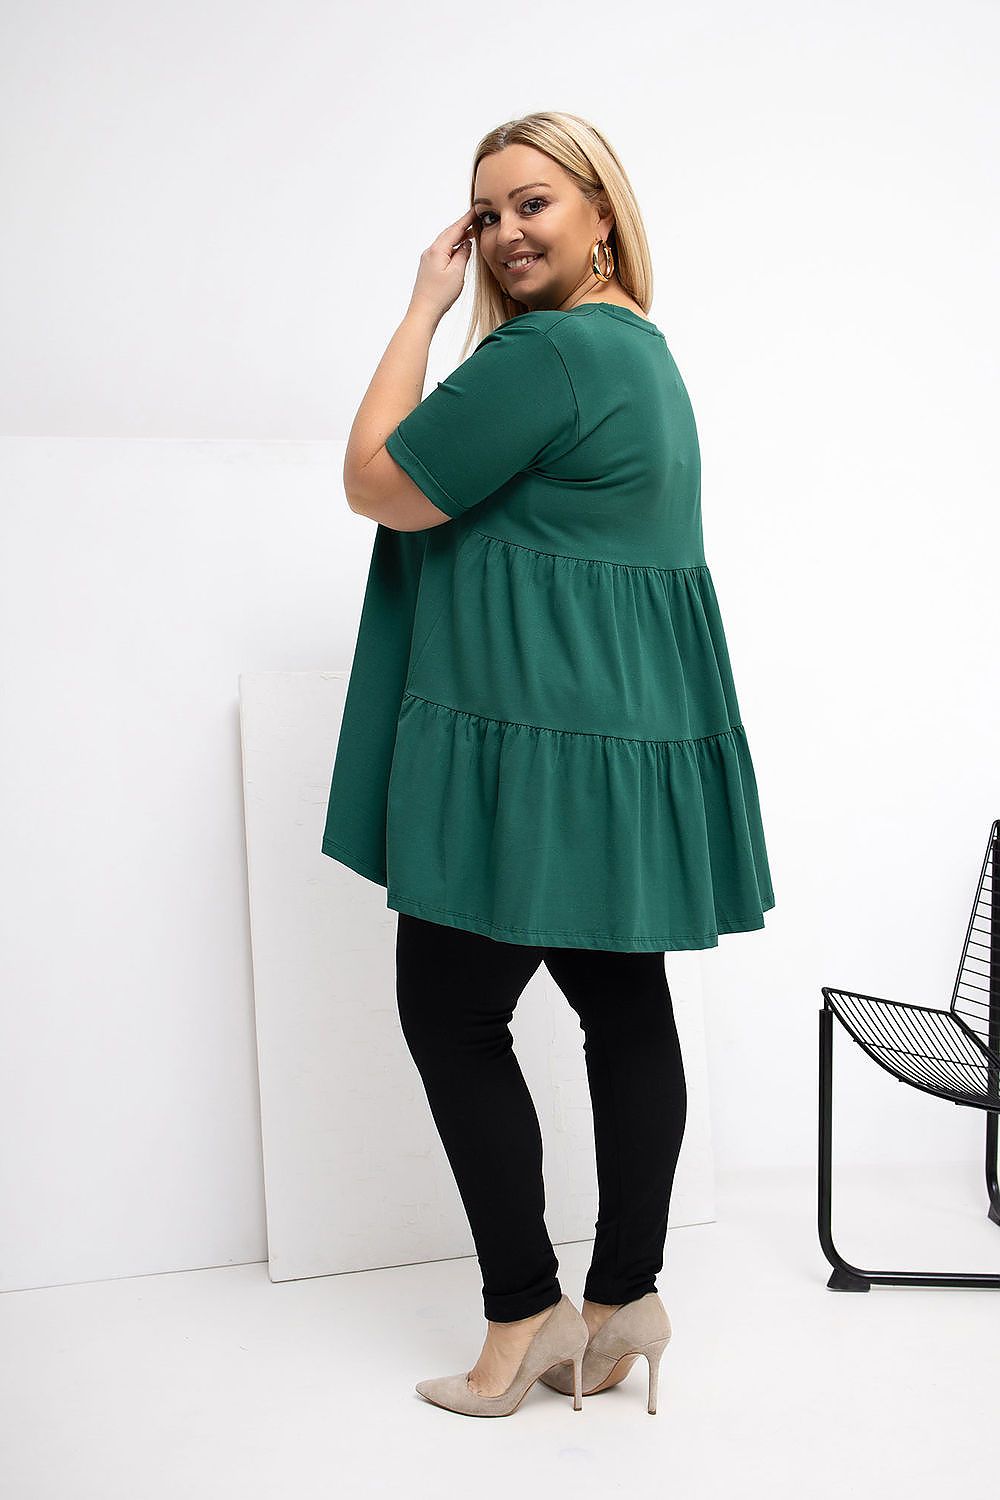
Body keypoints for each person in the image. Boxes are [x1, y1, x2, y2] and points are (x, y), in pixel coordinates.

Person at [320, 111, 775, 1416]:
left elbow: (375, 482)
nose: (509, 234)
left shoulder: (552, 357)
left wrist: (422, 306)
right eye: (487, 214)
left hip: (536, 745)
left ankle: (523, 1314)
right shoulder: (641, 350)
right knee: (621, 1006)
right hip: (609, 737)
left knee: (452, 1012)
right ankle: (625, 1295)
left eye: (534, 205)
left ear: (601, 213)